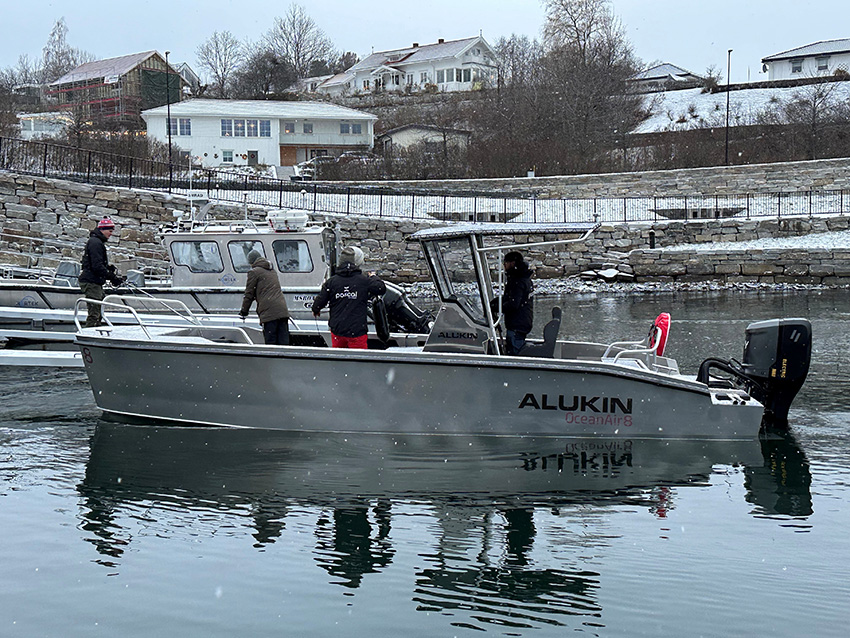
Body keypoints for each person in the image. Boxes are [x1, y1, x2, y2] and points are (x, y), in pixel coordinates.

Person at [311, 246, 386, 349]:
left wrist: (316, 310)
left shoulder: (331, 282)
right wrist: (373, 277)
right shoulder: (363, 281)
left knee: (339, 357)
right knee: (358, 358)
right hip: (357, 331)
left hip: (338, 331)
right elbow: (381, 288)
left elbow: (319, 302)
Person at [79, 216, 124, 328]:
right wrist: (112, 277)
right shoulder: (96, 243)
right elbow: (97, 266)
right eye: (110, 231)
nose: (111, 234)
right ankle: (89, 332)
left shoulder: (96, 242)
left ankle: (95, 331)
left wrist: (108, 268)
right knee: (95, 313)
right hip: (91, 282)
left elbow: (95, 263)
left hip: (94, 281)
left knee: (98, 311)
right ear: (102, 230)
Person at [239, 249, 291, 345]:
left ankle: (272, 355)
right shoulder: (272, 271)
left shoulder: (254, 272)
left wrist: (244, 311)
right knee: (283, 343)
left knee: (271, 343)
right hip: (282, 311)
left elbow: (249, 294)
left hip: (269, 312)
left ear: (251, 262)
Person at [493, 250, 534, 355]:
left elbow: (513, 304)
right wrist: (498, 301)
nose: (504, 266)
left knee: (515, 352)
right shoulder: (524, 278)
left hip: (517, 324)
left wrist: (497, 307)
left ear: (512, 263)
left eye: (505, 263)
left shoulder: (517, 281)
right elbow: (512, 298)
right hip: (523, 321)